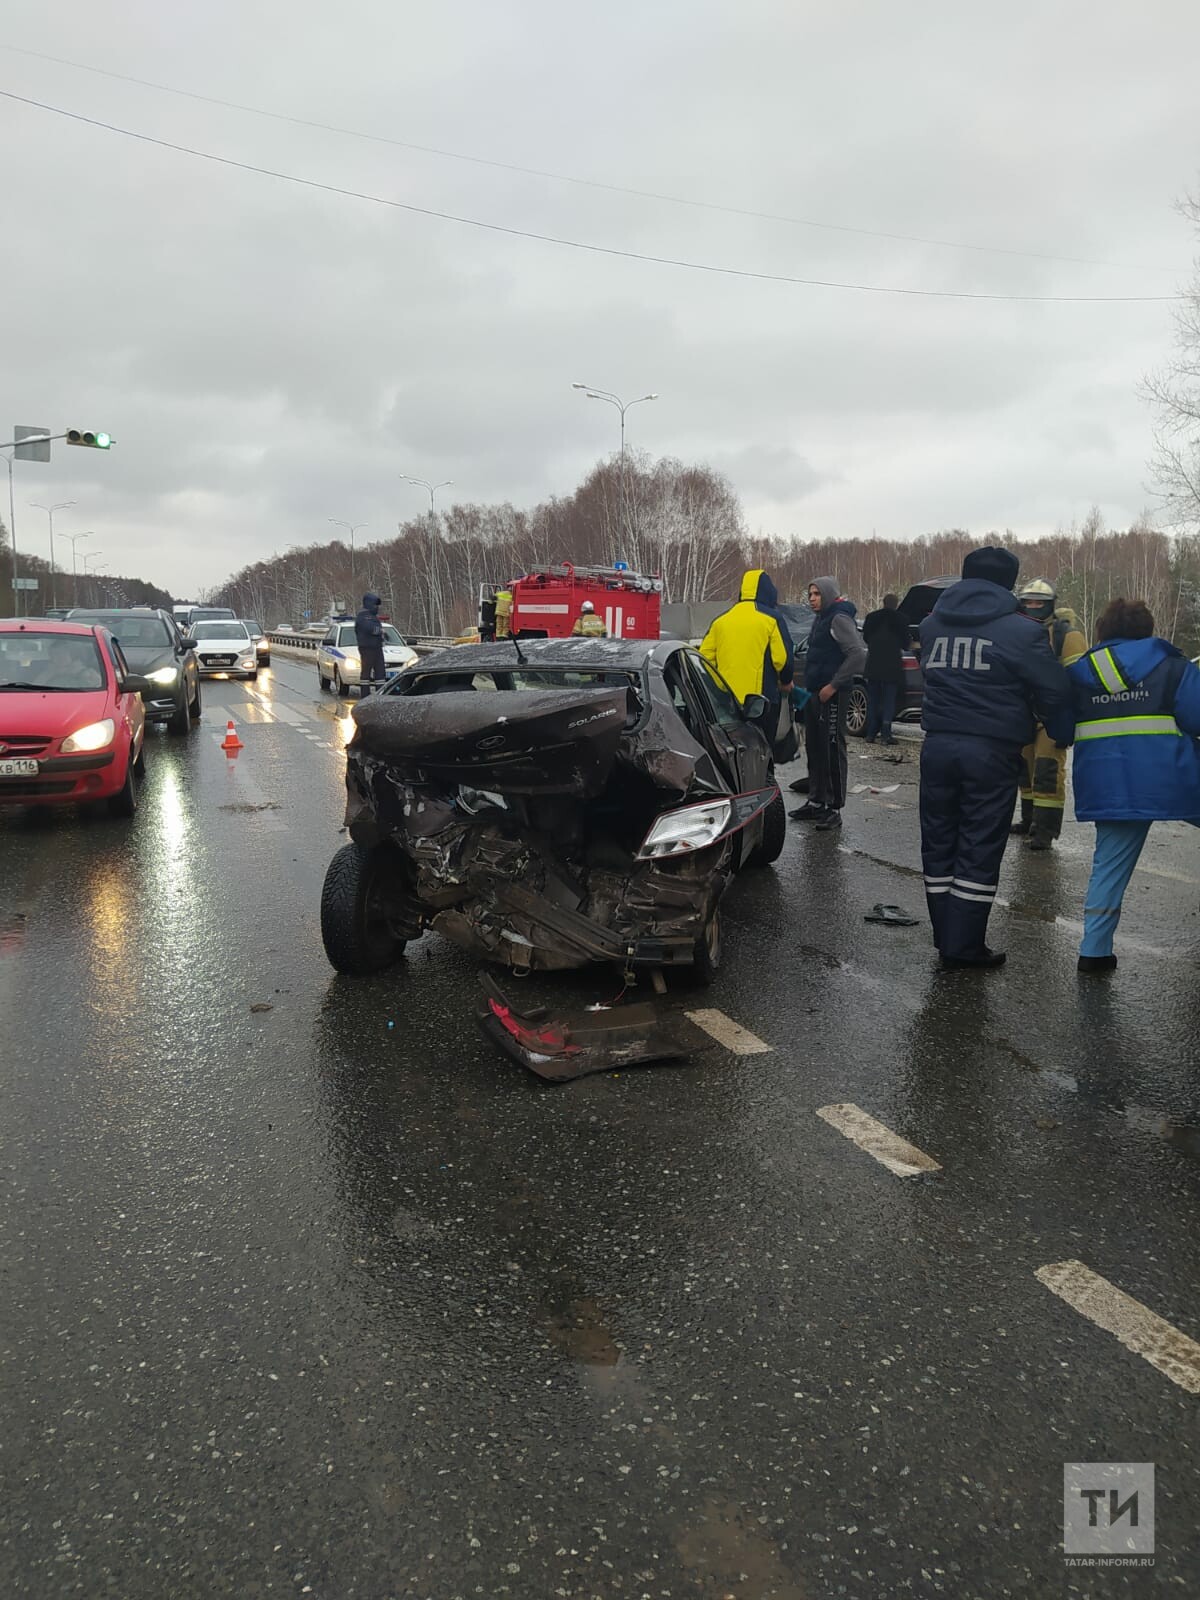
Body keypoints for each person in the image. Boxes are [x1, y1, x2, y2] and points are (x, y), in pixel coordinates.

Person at [919, 547, 1073, 968]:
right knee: (978, 845)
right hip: (991, 751)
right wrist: (1061, 730)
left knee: (939, 843)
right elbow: (1054, 689)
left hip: (937, 747)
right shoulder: (1021, 631)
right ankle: (963, 945)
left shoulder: (931, 626)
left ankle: (945, 936)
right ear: (1009, 584)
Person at [1069, 598, 1200, 973]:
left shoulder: (1079, 673)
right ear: (1148, 630)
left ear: (1103, 631)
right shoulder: (1173, 668)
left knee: (1108, 867)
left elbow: (1061, 728)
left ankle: (1094, 951)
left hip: (1109, 785)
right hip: (1174, 778)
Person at [1010, 578, 1088, 850]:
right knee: (1025, 770)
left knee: (1047, 770)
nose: (1033, 607)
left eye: (1039, 603)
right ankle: (1029, 819)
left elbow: (1077, 680)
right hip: (1022, 713)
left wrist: (1069, 719)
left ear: (1050, 605)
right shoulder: (1016, 631)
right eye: (1028, 602)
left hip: (1051, 717)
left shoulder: (1067, 635)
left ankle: (1045, 831)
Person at [790, 576, 866, 831]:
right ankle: (816, 801)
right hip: (815, 693)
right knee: (815, 746)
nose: (811, 599)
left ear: (828, 595)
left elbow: (856, 654)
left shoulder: (838, 618)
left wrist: (833, 685)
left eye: (816, 594)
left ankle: (834, 807)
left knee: (832, 749)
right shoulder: (820, 619)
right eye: (810, 594)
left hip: (832, 694)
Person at [698, 569, 793, 706]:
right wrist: (786, 680)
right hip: (760, 701)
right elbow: (782, 659)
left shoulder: (720, 621)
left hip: (726, 701)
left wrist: (718, 688)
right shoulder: (772, 619)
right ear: (769, 592)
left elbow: (704, 659)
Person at [861, 593, 909, 745]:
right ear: (896, 604)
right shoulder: (901, 619)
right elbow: (905, 644)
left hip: (874, 664)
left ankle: (870, 734)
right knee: (889, 700)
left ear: (883, 602)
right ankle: (886, 735)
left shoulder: (872, 617)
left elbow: (865, 638)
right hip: (892, 665)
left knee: (873, 699)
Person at [354, 591, 387, 693]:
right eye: (375, 605)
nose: (377, 607)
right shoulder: (363, 617)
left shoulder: (373, 617)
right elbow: (369, 628)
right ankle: (365, 695)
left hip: (377, 648)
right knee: (366, 674)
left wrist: (383, 636)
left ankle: (380, 695)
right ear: (369, 604)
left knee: (380, 674)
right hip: (367, 649)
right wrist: (380, 631)